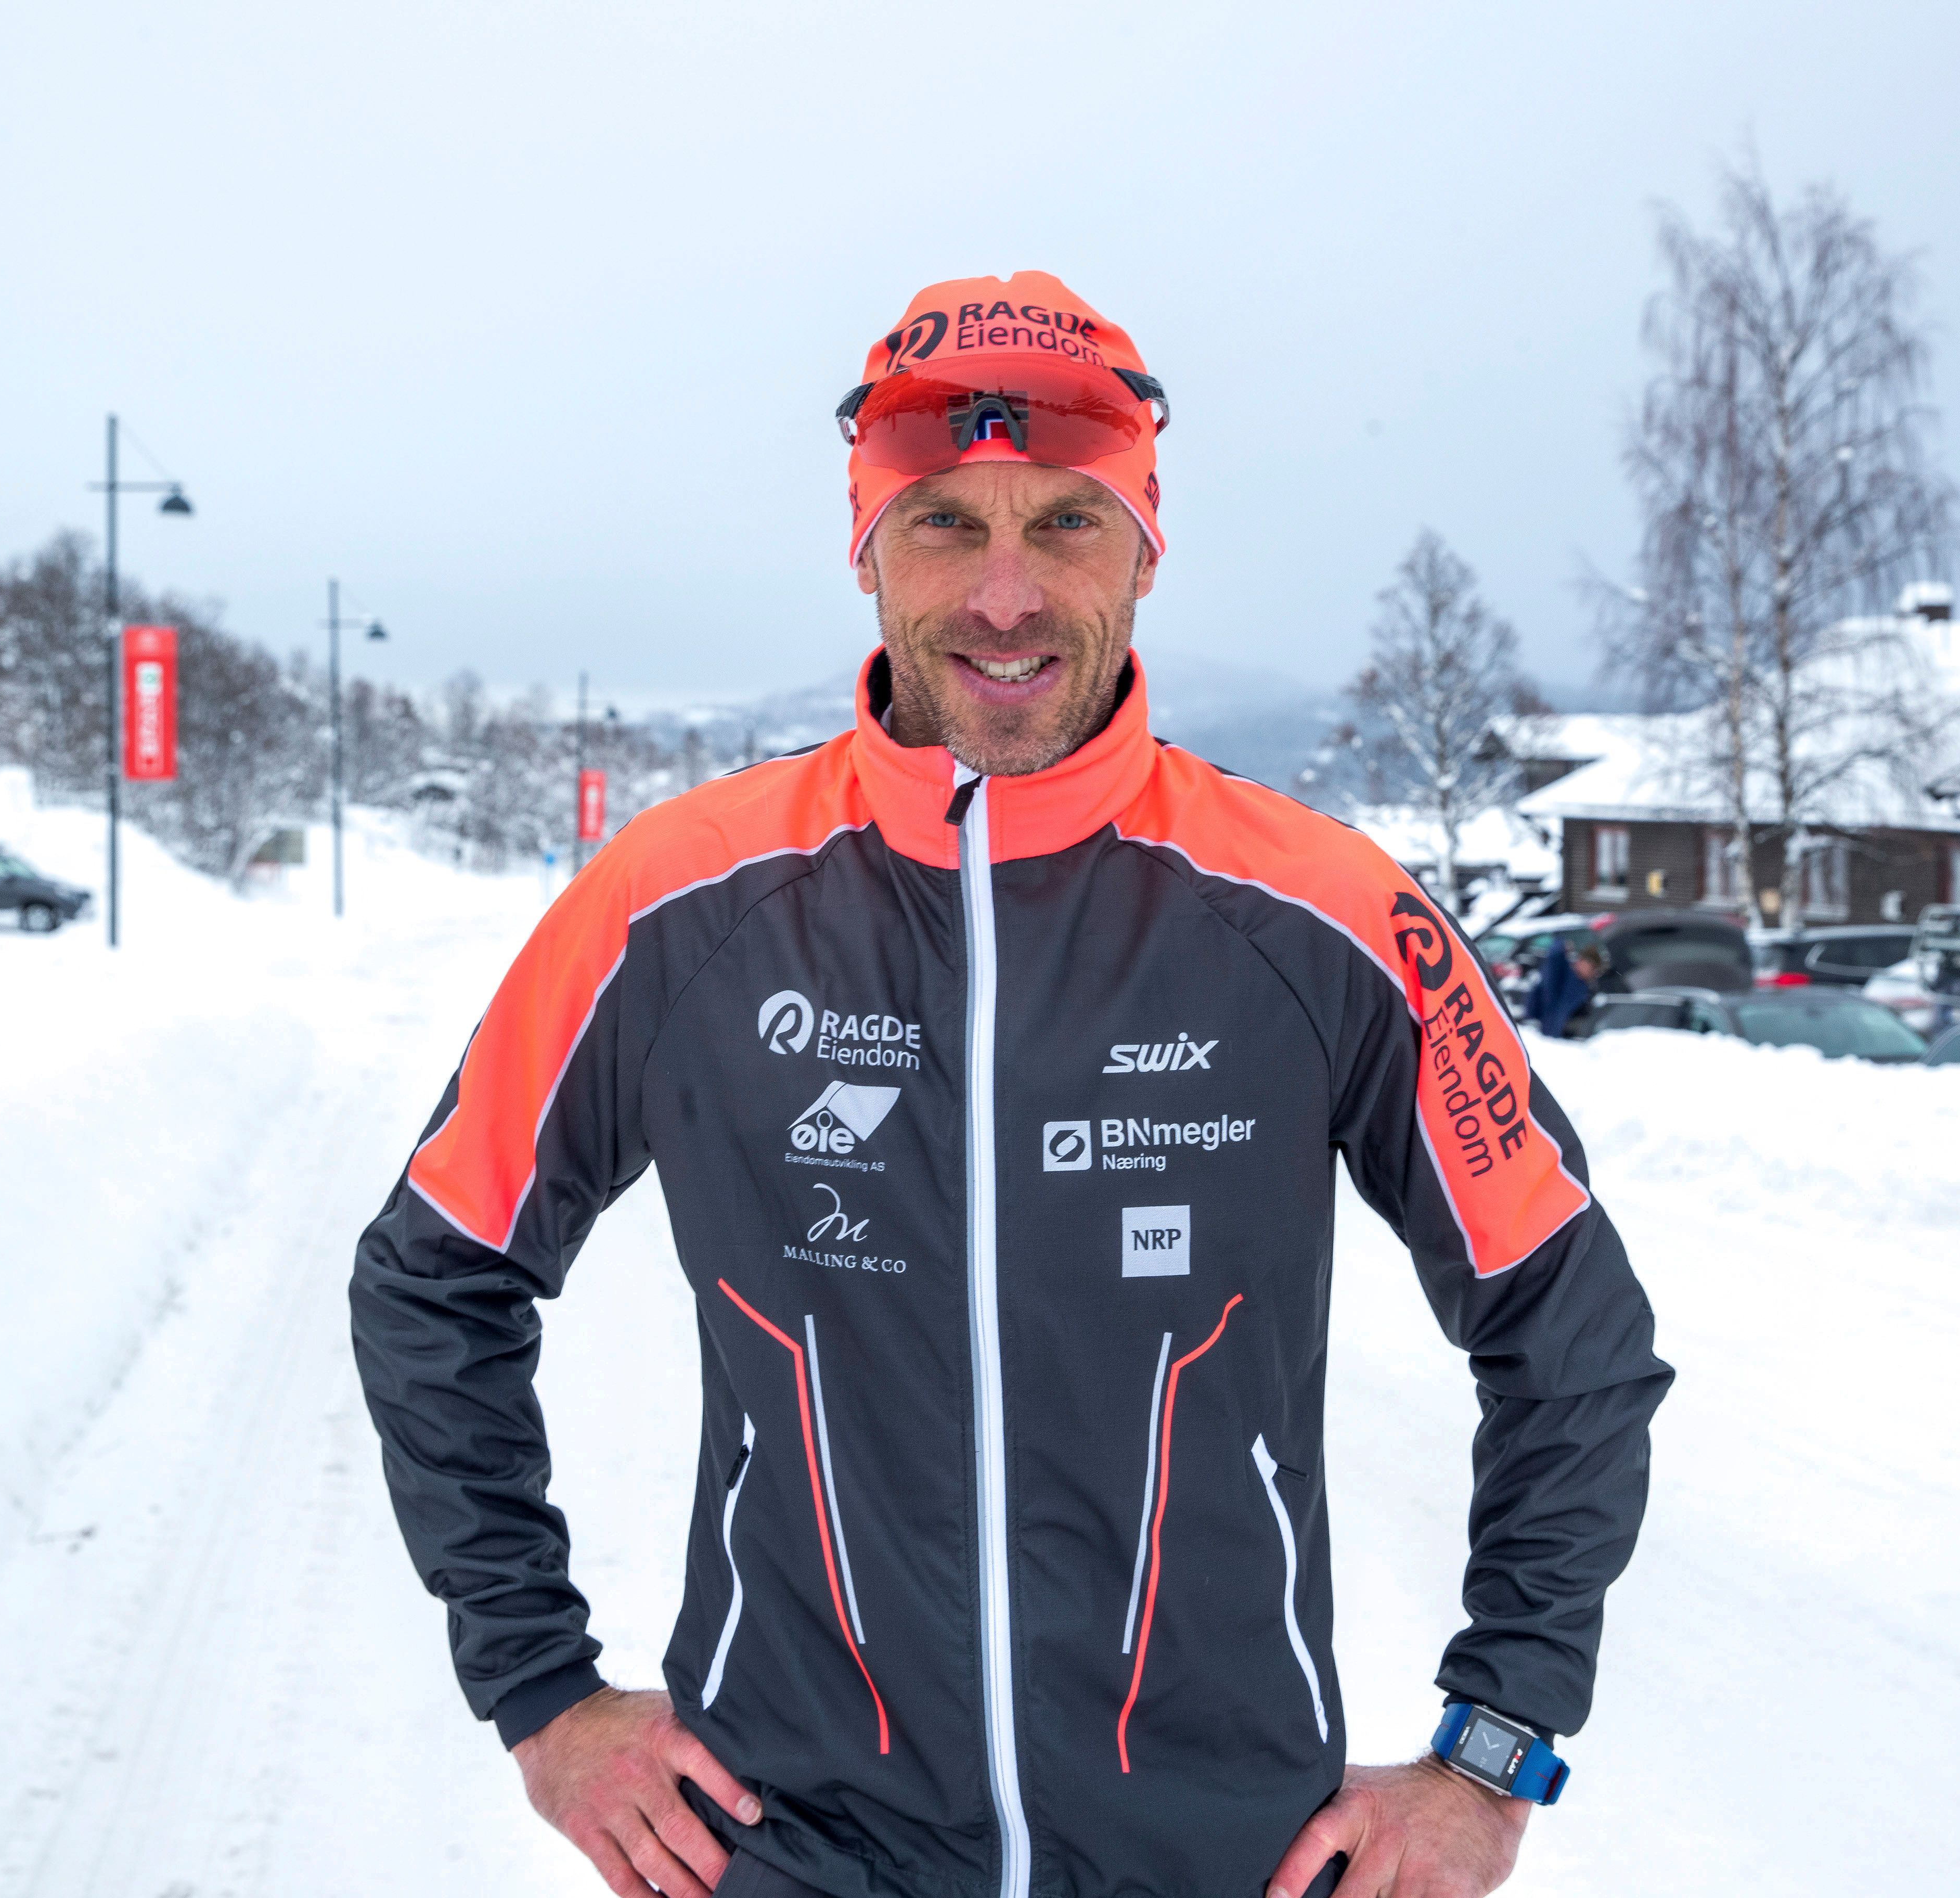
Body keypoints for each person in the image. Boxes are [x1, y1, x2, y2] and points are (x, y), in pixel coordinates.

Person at [351, 272, 1672, 1898]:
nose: (1004, 594)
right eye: (942, 526)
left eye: (1065, 523)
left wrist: (1493, 1754)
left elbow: (1572, 1333)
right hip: (793, 1851)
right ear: (864, 550)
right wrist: (543, 1692)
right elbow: (434, 1275)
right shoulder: (678, 901)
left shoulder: (1325, 914)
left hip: (1224, 1860)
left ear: (1146, 550)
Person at [1528, 943, 1604, 1040]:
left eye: (1595, 970)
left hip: (1566, 1037)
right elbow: (1553, 959)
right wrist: (1561, 946)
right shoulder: (1564, 973)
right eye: (1592, 967)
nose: (1592, 972)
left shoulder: (1588, 988)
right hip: (1548, 1032)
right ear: (1582, 961)